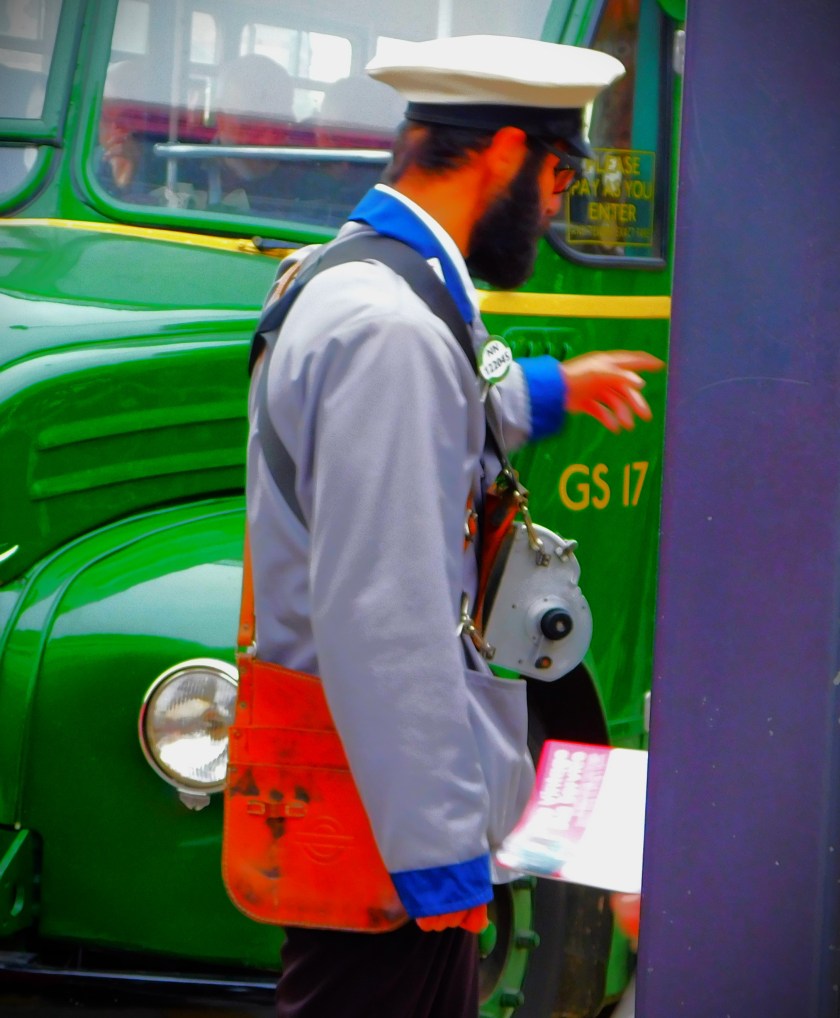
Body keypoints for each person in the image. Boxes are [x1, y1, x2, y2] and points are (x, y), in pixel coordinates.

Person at [245, 33, 663, 1018]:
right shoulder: (390, 331)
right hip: (383, 838)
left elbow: (450, 401)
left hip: (360, 802)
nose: (556, 202)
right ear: (508, 151)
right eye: (560, 174)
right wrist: (440, 860)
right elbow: (387, 615)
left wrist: (549, 390)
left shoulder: (360, 274)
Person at [205, 53, 299, 213]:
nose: (266, 141)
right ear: (220, 117)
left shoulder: (305, 178)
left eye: (278, 124)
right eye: (248, 124)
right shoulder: (179, 171)